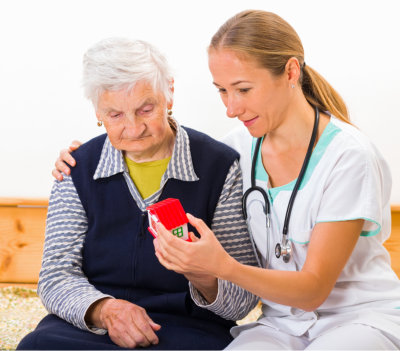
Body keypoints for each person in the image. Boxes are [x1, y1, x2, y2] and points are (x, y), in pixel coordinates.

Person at [50, 10, 400, 350]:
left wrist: (221, 267)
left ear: (291, 72)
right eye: (222, 91)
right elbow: (156, 141)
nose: (230, 108)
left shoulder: (348, 156)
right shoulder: (236, 150)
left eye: (243, 89)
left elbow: (312, 290)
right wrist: (86, 161)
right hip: (282, 324)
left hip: (357, 316)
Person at [17, 37, 259, 350]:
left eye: (145, 109)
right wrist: (105, 311)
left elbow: (241, 302)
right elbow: (55, 276)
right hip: (93, 329)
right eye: (115, 115)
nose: (133, 129)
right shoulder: (76, 170)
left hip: (189, 328)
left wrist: (200, 273)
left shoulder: (220, 167)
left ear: (169, 93)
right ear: (97, 111)